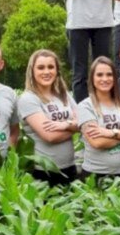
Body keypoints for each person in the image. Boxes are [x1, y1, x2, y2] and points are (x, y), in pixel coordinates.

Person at [17, 50, 80, 185]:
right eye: (41, 67)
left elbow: (85, 121)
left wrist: (66, 125)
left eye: (51, 67)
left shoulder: (64, 95)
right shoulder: (28, 99)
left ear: (57, 70)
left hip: (69, 166)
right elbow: (50, 136)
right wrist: (75, 126)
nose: (46, 72)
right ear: (32, 71)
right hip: (44, 171)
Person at [77, 57, 120, 179]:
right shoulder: (85, 106)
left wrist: (109, 133)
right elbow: (97, 142)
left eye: (109, 75)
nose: (105, 79)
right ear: (92, 79)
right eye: (99, 75)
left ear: (115, 78)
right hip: (96, 174)